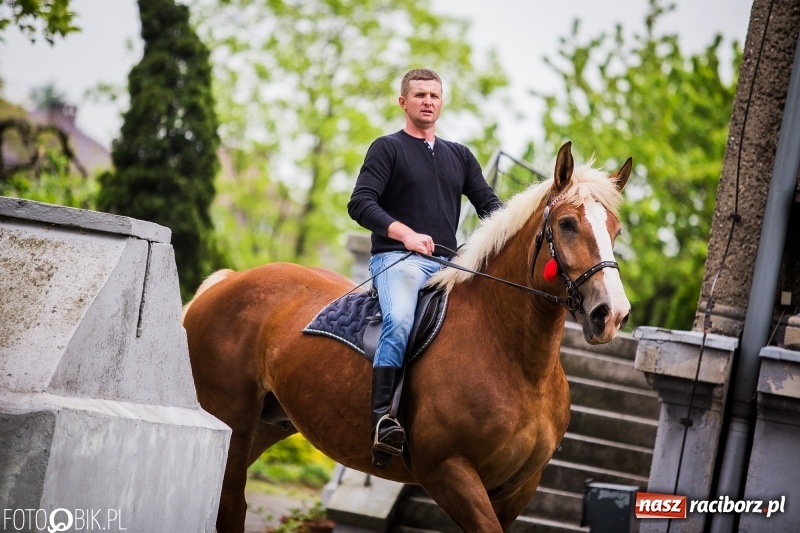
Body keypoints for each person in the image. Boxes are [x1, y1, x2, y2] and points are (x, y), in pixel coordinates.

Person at [348, 68, 503, 467]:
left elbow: (490, 206)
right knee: (399, 320)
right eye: (419, 95)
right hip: (397, 260)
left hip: (447, 267)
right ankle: (382, 419)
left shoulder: (460, 156)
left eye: (434, 95)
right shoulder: (387, 148)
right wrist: (405, 234)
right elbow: (360, 203)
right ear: (403, 102)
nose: (428, 101)